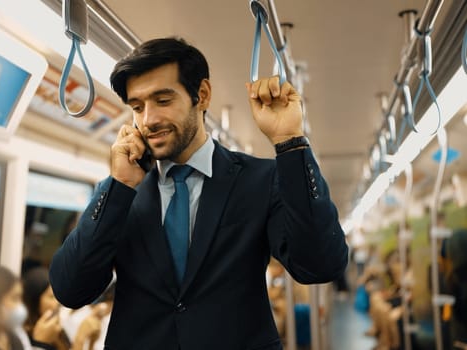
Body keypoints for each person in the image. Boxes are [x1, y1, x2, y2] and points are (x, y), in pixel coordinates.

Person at [49, 37, 348, 349]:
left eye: (163, 101)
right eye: (137, 107)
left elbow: (320, 264)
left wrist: (290, 142)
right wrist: (118, 185)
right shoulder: (122, 194)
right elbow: (71, 289)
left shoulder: (259, 180)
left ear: (202, 95)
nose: (148, 119)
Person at [0, 266, 64, 350]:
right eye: (14, 299)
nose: (20, 305)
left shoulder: (17, 334)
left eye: (20, 298)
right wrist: (40, 343)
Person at [22, 267, 103, 350]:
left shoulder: (58, 330)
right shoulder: (25, 337)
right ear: (34, 302)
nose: (58, 302)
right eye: (52, 297)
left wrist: (91, 342)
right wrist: (80, 338)